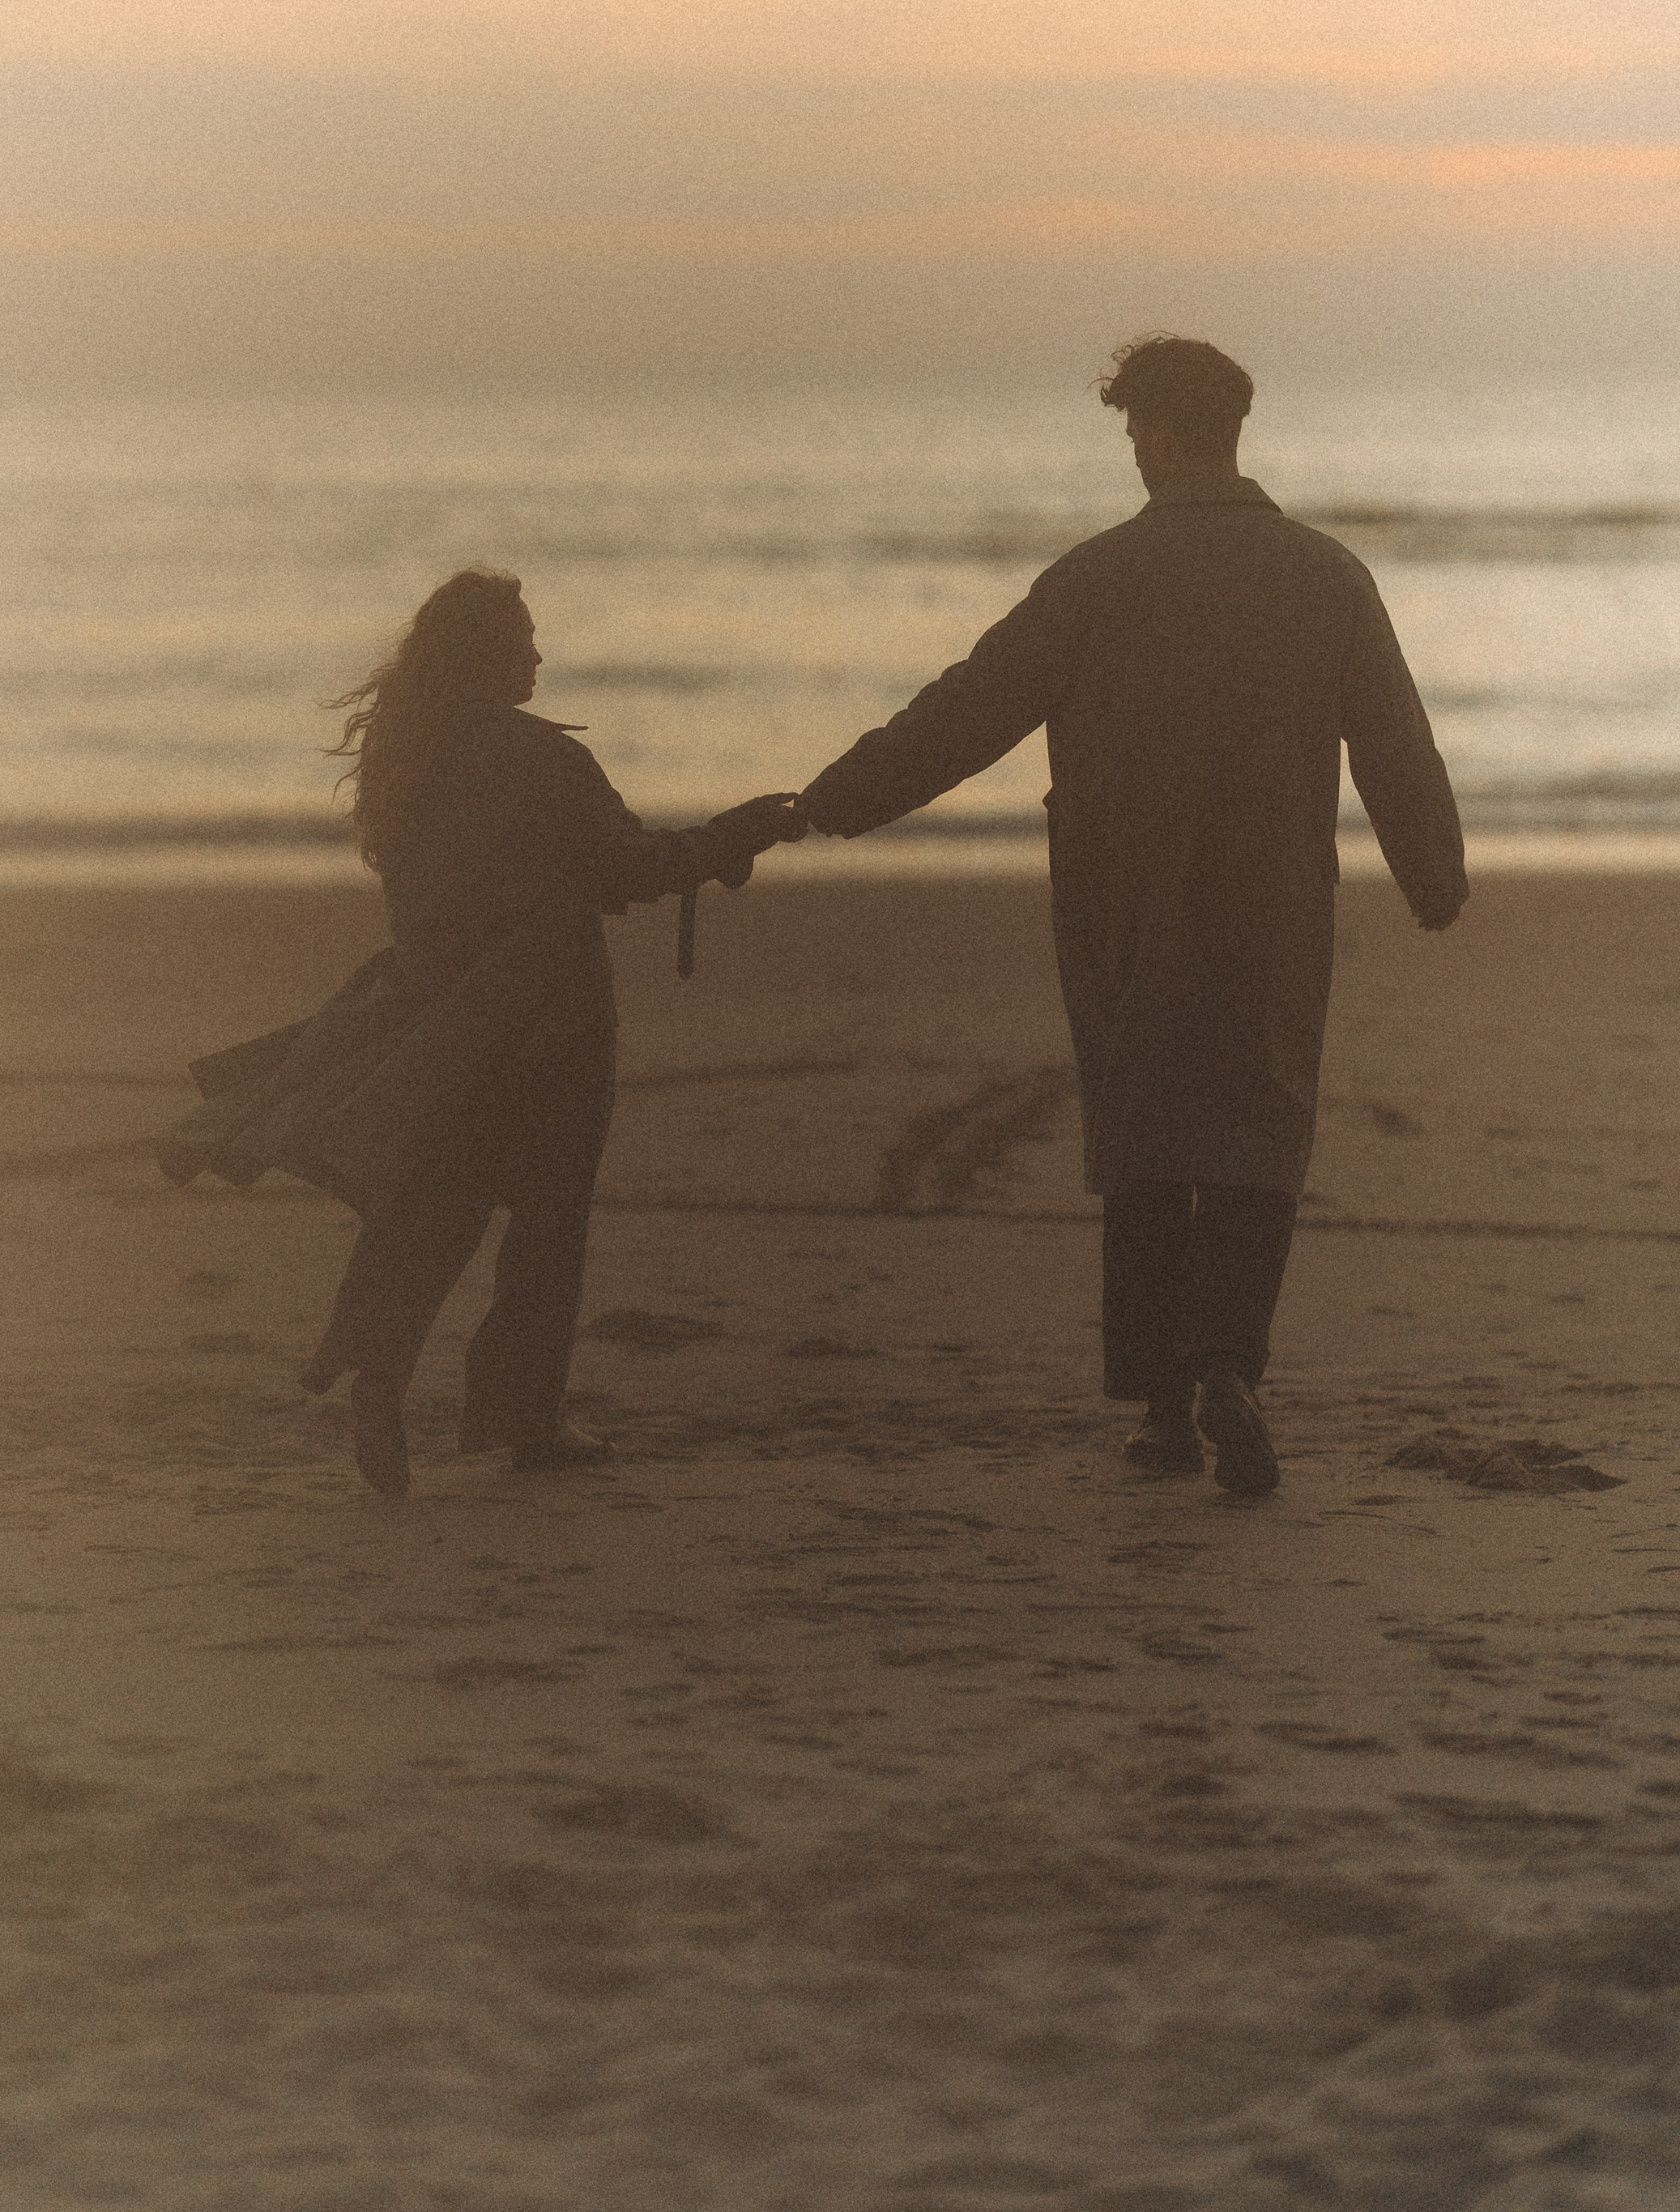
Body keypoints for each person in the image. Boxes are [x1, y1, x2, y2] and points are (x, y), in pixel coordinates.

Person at [792, 337, 1466, 1495]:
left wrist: (834, 801)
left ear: (1154, 434)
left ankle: (1160, 1408)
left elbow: (969, 710)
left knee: (1149, 1136)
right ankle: (1227, 1367)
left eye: (1133, 433)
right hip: (1270, 899)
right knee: (1258, 1133)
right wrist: (1433, 877)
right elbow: (1394, 746)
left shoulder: (1098, 577)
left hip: (1126, 895)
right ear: (1234, 431)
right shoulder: (1325, 574)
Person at [160, 569, 795, 1496]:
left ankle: (378, 1370)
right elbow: (624, 868)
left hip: (435, 1017)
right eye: (523, 640)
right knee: (546, 1220)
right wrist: (732, 836)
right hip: (550, 1021)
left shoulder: (402, 754)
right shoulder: (539, 759)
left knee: (432, 1203)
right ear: (485, 654)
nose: (538, 655)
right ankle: (523, 1416)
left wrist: (705, 850)